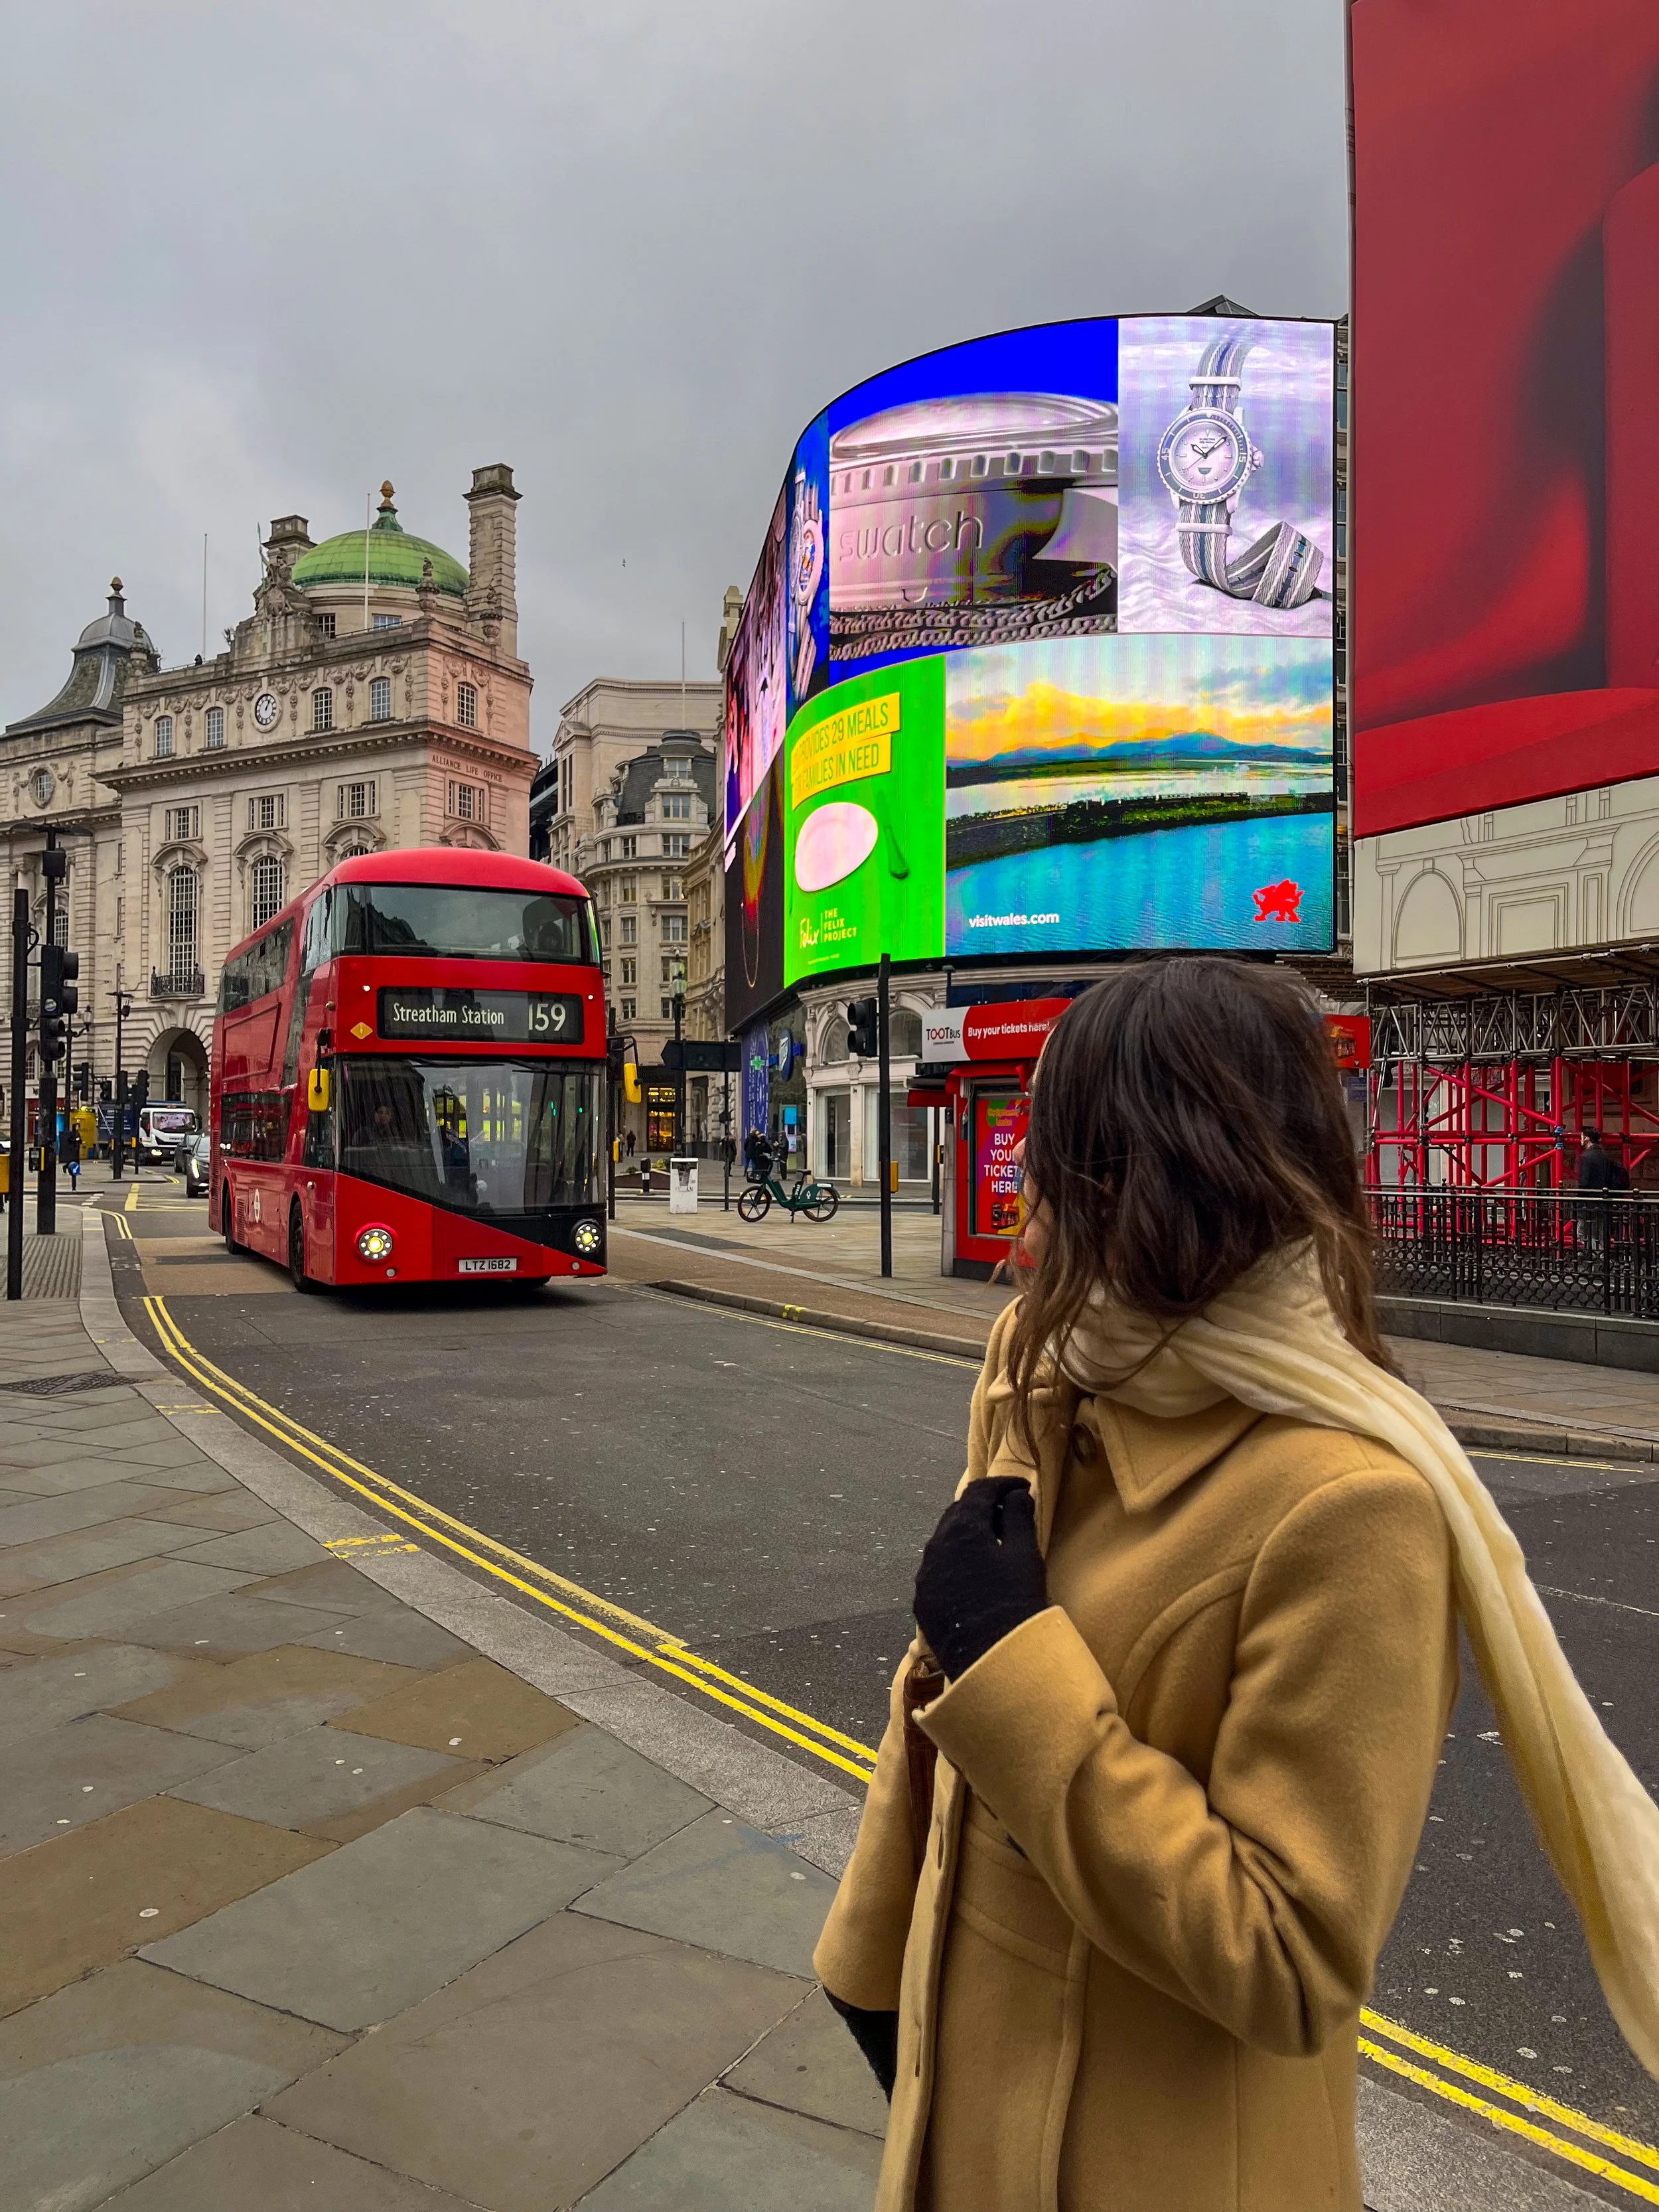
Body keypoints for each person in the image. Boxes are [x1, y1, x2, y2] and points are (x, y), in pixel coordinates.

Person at [814, 959, 1659, 2212]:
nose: (1024, 1186)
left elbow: (1293, 1955)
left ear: (1146, 1175)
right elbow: (942, 1740)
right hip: (964, 2105)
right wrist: (867, 1954)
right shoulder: (1057, 1372)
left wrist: (1013, 1667)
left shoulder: (1353, 1505)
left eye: (1056, 1149)